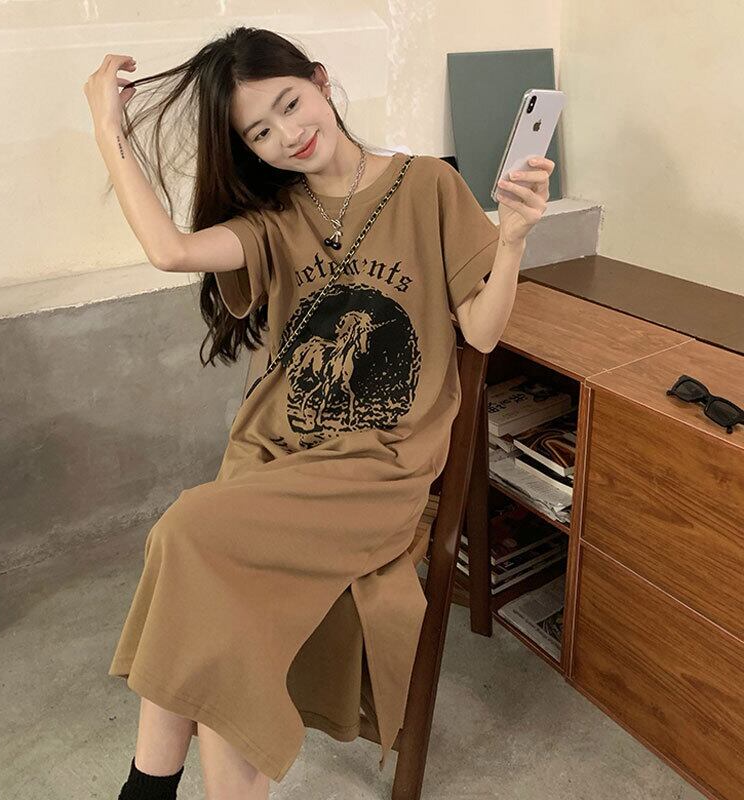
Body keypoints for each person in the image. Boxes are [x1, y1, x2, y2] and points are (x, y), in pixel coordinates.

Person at [83, 25, 552, 800]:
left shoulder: (428, 186)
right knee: (217, 602)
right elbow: (170, 251)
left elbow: (481, 330)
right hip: (275, 454)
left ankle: (146, 788)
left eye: (290, 104)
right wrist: (109, 130)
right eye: (259, 133)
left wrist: (512, 242)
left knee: (184, 535)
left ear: (322, 81)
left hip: (377, 469)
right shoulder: (276, 217)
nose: (287, 135)